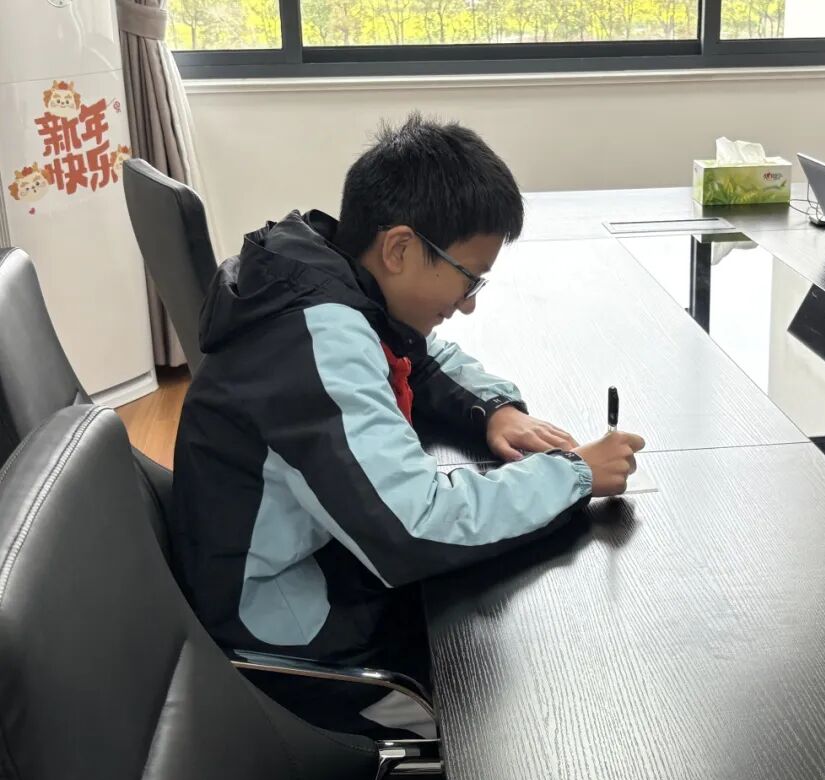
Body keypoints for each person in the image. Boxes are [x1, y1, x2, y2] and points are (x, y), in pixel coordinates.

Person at [170, 113, 645, 736]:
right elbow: (415, 526)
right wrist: (574, 474)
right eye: (468, 278)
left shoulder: (316, 277)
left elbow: (413, 355)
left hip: (320, 570)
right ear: (398, 248)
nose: (468, 303)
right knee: (523, 719)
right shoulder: (314, 339)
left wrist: (492, 407)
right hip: (291, 649)